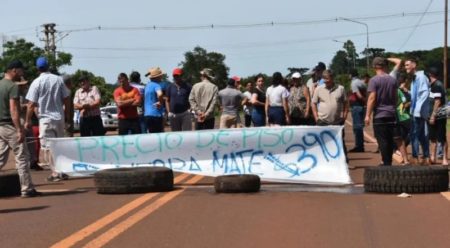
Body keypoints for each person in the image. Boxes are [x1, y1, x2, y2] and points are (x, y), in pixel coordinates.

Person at [25, 56, 70, 182]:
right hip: (59, 118)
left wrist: (28, 120)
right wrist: (67, 115)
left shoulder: (36, 82)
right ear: (48, 66)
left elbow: (31, 104)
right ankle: (61, 171)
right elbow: (67, 98)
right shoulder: (58, 80)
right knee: (59, 145)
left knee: (48, 148)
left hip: (45, 119)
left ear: (37, 68)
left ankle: (55, 172)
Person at [0, 60, 40, 197]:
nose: (22, 73)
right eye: (21, 70)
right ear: (14, 70)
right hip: (9, 126)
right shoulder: (12, 87)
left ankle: (27, 188)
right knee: (22, 157)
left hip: (0, 127)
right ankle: (27, 189)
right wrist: (19, 129)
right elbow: (14, 110)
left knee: (0, 158)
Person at [364, 57, 398, 166]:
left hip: (379, 114)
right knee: (389, 138)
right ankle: (389, 161)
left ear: (374, 67)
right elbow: (396, 97)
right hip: (391, 113)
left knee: (382, 140)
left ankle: (386, 162)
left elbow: (372, 98)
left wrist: (367, 115)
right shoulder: (393, 80)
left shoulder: (374, 80)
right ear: (385, 66)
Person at [311, 70, 349, 160]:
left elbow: (346, 103)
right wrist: (316, 117)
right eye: (324, 79)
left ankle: (344, 161)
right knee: (321, 143)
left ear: (332, 78)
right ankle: (322, 161)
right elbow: (313, 103)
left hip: (337, 121)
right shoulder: (318, 89)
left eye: (327, 78)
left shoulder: (341, 89)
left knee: (340, 142)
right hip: (322, 121)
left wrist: (344, 116)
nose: (325, 81)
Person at [405, 57, 431, 165]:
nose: (405, 67)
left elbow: (424, 94)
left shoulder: (421, 77)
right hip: (416, 110)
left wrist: (417, 109)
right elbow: (416, 95)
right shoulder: (415, 78)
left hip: (418, 112)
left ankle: (415, 157)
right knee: (420, 135)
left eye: (407, 64)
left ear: (414, 65)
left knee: (414, 134)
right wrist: (408, 93)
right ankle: (426, 157)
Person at [427, 67, 448, 166]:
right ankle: (433, 157)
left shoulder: (436, 85)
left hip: (438, 115)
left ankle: (444, 158)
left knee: (441, 138)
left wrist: (433, 116)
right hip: (436, 115)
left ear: (430, 75)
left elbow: (437, 101)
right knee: (433, 138)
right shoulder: (435, 84)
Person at [348, 69, 367, 152]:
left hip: (357, 106)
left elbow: (358, 95)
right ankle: (360, 145)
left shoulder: (354, 83)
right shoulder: (361, 82)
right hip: (361, 106)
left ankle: (359, 146)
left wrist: (364, 101)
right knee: (359, 126)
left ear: (351, 75)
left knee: (357, 127)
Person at [143, 67, 165, 133]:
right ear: (157, 77)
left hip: (147, 114)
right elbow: (160, 94)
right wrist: (160, 102)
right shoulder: (157, 85)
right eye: (160, 76)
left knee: (150, 134)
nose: (161, 77)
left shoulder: (147, 86)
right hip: (156, 114)